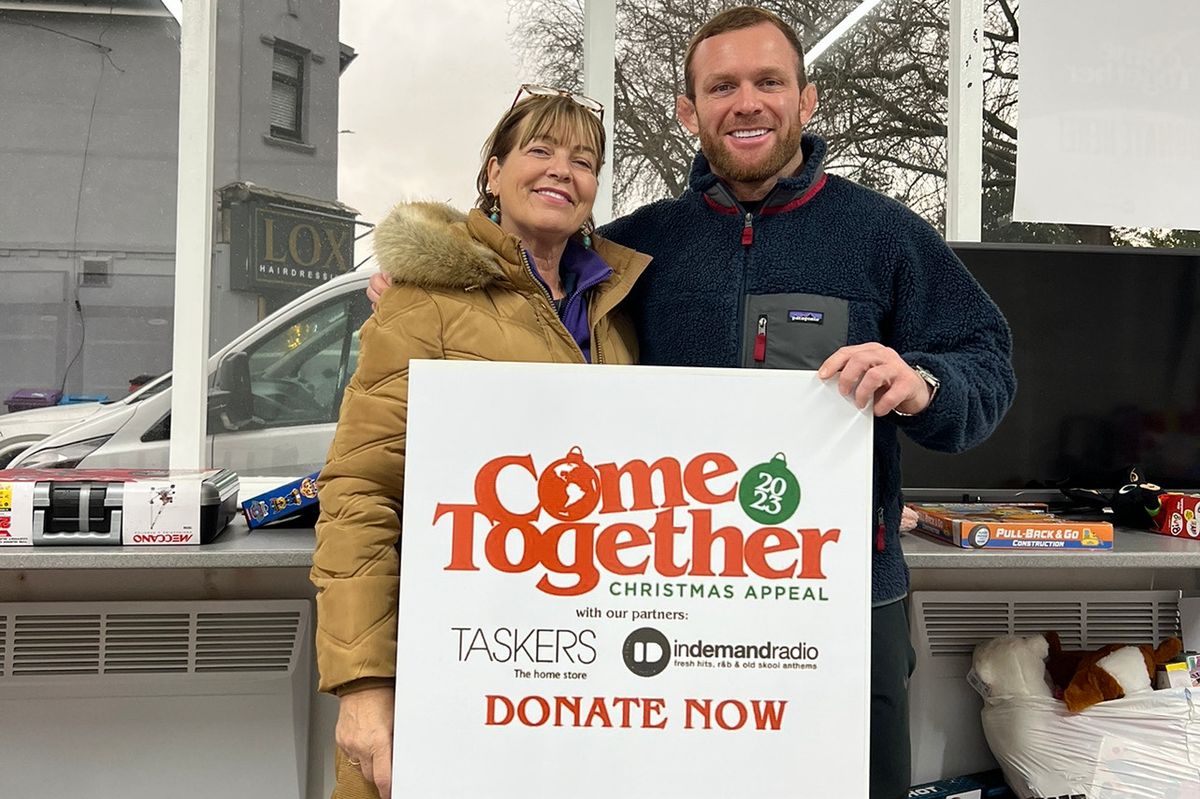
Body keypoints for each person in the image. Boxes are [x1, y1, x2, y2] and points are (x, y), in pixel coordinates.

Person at [367, 8, 1015, 798]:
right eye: (722, 86)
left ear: (807, 101)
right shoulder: (634, 250)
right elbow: (523, 277)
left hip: (843, 606)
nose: (747, 102)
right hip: (667, 606)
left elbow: (987, 361)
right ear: (689, 111)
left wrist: (923, 384)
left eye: (769, 81)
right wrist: (430, 281)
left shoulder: (884, 236)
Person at [314, 88, 651, 799]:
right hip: (450, 666)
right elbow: (360, 491)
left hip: (579, 669)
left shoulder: (613, 311)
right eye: (540, 150)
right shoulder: (426, 299)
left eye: (584, 160)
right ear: (493, 172)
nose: (563, 170)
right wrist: (363, 686)